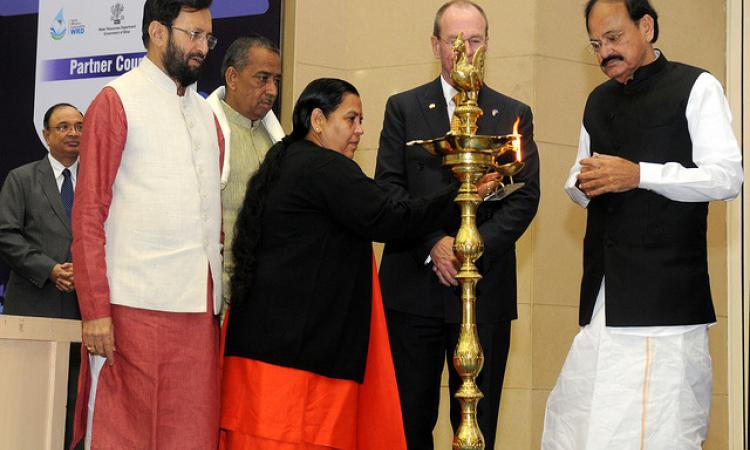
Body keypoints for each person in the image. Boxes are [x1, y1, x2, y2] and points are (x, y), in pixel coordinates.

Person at [220, 78, 467, 450]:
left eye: (361, 121)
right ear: (317, 120)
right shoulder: (324, 167)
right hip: (295, 370)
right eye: (351, 119)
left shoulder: (287, 159)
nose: (359, 130)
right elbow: (391, 216)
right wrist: (463, 192)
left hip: (263, 359)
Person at [541, 1, 743, 448]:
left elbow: (728, 177)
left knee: (658, 432)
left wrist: (640, 174)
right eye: (596, 44)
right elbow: (580, 175)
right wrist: (581, 184)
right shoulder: (598, 99)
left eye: (613, 38)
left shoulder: (696, 85)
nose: (604, 53)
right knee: (579, 426)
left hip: (665, 304)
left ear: (646, 26)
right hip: (605, 297)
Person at [374, 1, 540, 447]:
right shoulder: (404, 109)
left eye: (476, 39)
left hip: (484, 286)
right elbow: (389, 191)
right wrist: (435, 244)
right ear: (435, 46)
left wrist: (472, 247)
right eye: (455, 40)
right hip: (414, 285)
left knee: (479, 418)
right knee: (408, 419)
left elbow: (523, 197)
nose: (466, 49)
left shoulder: (512, 114)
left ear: (488, 45)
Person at [69, 0, 225, 448]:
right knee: (122, 436)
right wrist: (96, 310)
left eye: (207, 38)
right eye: (192, 35)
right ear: (158, 32)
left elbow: (208, 220)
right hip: (128, 311)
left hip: (197, 315)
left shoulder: (207, 117)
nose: (202, 48)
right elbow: (87, 215)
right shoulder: (116, 101)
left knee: (191, 437)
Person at [0, 103, 84, 449]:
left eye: (79, 126)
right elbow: (6, 233)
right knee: (26, 400)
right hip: (34, 304)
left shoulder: (100, 180)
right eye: (63, 127)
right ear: (46, 135)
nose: (73, 133)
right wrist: (48, 269)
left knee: (75, 400)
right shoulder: (22, 178)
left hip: (84, 310)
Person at [206, 34, 284, 316]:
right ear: (232, 77)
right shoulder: (204, 131)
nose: (272, 90)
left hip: (266, 289)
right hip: (213, 289)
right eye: (262, 78)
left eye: (276, 80)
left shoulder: (277, 141)